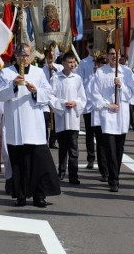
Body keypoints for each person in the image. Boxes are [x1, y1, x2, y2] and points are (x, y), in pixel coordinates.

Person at [0, 43, 60, 208]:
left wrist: (35, 91)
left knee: (38, 160)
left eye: (27, 55)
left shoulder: (38, 73)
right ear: (16, 56)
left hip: (34, 123)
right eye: (21, 55)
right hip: (16, 123)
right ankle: (21, 195)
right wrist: (13, 86)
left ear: (31, 56)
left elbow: (48, 93)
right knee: (19, 162)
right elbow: (0, 95)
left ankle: (39, 195)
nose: (24, 58)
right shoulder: (7, 73)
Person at [91, 45, 134, 192]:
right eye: (111, 54)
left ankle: (115, 173)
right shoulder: (100, 73)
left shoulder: (126, 72)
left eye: (117, 53)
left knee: (119, 150)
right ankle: (113, 179)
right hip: (108, 117)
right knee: (110, 149)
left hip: (122, 117)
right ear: (107, 56)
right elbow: (95, 94)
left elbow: (130, 95)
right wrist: (107, 105)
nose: (114, 56)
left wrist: (121, 85)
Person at [50, 51, 86, 185]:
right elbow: (51, 96)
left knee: (73, 148)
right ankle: (61, 171)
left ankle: (74, 174)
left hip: (73, 118)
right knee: (63, 147)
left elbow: (82, 97)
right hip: (61, 116)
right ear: (63, 63)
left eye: (73, 62)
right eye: (70, 62)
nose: (72, 64)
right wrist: (61, 103)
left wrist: (76, 102)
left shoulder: (77, 79)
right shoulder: (55, 78)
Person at [87, 54, 110, 182]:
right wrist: (103, 103)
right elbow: (90, 96)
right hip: (98, 115)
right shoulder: (92, 79)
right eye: (98, 64)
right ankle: (104, 171)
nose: (99, 66)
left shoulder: (111, 77)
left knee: (110, 145)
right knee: (101, 145)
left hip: (111, 114)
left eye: (102, 64)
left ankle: (110, 170)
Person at [76, 40, 96, 169]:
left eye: (95, 47)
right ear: (87, 48)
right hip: (89, 103)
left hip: (102, 105)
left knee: (102, 134)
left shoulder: (104, 62)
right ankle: (90, 158)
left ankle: (103, 159)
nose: (93, 49)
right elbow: (79, 82)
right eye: (91, 47)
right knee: (90, 133)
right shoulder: (83, 63)